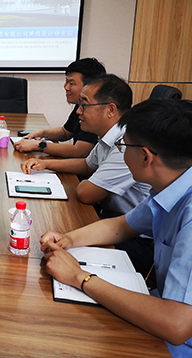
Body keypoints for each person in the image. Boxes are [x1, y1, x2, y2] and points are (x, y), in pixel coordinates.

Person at [40, 99, 192, 356]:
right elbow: (123, 225)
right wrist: (68, 239)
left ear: (145, 156)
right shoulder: (170, 186)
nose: (120, 152)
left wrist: (80, 277)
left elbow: (176, 325)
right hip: (160, 307)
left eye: (123, 146)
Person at [21, 74, 150, 218]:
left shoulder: (126, 144)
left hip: (132, 226)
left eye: (84, 105)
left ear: (111, 110)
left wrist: (90, 181)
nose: (78, 111)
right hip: (113, 215)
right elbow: (87, 165)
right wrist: (44, 164)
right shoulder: (108, 135)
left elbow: (86, 194)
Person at [15, 57, 106, 157]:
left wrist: (39, 145)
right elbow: (65, 132)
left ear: (90, 87)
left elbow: (79, 151)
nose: (66, 87)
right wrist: (41, 133)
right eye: (66, 81)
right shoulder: (80, 105)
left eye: (72, 83)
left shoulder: (95, 112)